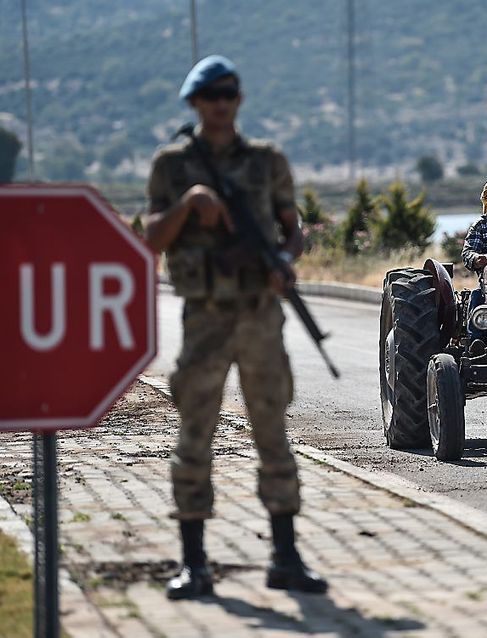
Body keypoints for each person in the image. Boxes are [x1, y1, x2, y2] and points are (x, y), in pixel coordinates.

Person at [144, 55, 327, 599]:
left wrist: (284, 262)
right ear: (195, 103)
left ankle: (285, 555)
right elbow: (150, 239)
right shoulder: (172, 165)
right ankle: (194, 562)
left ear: (238, 100)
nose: (221, 104)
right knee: (195, 433)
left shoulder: (267, 161)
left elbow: (295, 231)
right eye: (210, 96)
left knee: (272, 431)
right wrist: (190, 203)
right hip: (204, 319)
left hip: (259, 316)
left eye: (229, 94)